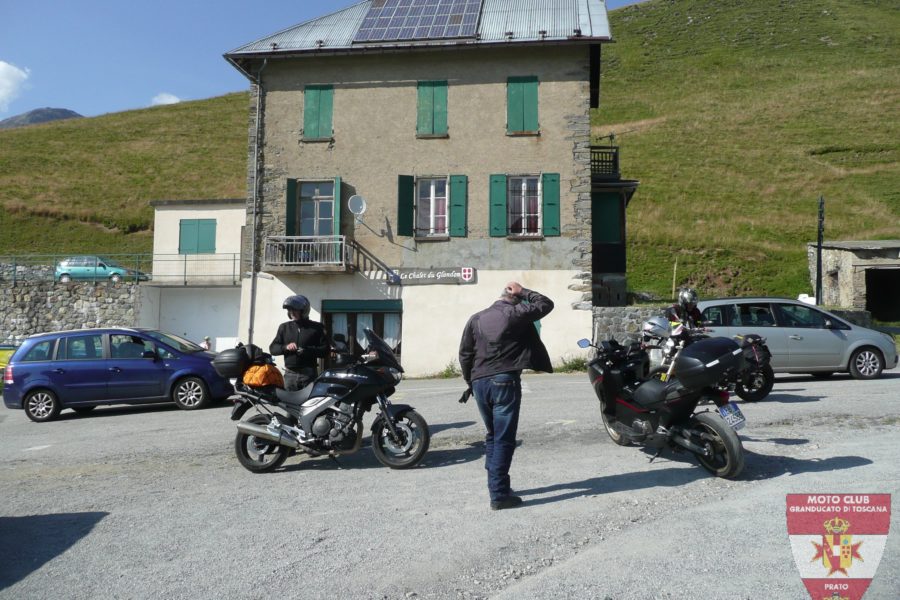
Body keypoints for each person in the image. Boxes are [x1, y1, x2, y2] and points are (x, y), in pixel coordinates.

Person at [458, 281, 554, 511]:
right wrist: (524, 292)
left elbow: (465, 354)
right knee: (503, 438)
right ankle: (499, 495)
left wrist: (470, 381)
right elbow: (546, 304)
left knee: (493, 436)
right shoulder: (515, 312)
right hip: (504, 380)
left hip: (479, 381)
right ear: (514, 298)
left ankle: (498, 486)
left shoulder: (476, 318)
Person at [270, 295, 330, 391]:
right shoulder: (284, 327)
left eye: (295, 310)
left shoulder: (317, 327)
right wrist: (285, 347)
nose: (292, 313)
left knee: (309, 404)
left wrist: (307, 351)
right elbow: (273, 348)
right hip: (290, 375)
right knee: (289, 405)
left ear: (304, 311)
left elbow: (325, 350)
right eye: (290, 310)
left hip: (309, 374)